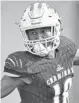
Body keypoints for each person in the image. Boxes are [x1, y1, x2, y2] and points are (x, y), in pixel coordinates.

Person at [1, 2, 79, 103]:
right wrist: (19, 80)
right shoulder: (23, 63)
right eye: (33, 33)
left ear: (56, 29)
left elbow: (73, 57)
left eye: (43, 31)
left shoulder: (65, 48)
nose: (39, 38)